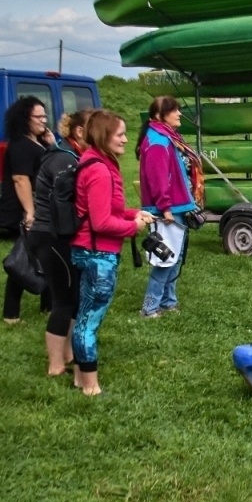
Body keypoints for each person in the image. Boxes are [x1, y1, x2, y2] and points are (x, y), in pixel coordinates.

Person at [70, 109, 155, 397]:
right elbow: (101, 222)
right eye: (120, 134)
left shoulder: (98, 162)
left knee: (84, 317)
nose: (125, 139)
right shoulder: (99, 170)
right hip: (97, 255)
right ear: (104, 136)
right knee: (89, 321)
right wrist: (133, 227)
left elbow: (107, 209)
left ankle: (80, 378)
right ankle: (90, 385)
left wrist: (134, 212)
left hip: (91, 250)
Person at [29, 108, 92, 376]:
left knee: (73, 297)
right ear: (79, 132)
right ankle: (55, 365)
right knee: (63, 300)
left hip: (59, 235)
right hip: (51, 236)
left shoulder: (71, 156)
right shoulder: (64, 160)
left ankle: (67, 354)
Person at [137, 96, 202, 318]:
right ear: (159, 116)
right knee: (164, 259)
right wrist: (165, 209)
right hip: (166, 211)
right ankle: (149, 307)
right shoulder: (157, 141)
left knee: (174, 258)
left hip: (176, 207)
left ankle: (168, 302)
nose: (179, 114)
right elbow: (158, 178)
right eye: (174, 110)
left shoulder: (167, 137)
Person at [0, 96, 52, 323]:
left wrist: (50, 143)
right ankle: (11, 313)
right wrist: (30, 213)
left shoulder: (37, 142)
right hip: (24, 211)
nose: (43, 120)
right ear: (24, 119)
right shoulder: (20, 145)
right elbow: (21, 179)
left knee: (47, 257)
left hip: (41, 209)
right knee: (23, 259)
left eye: (44, 116)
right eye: (37, 117)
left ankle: (48, 306)